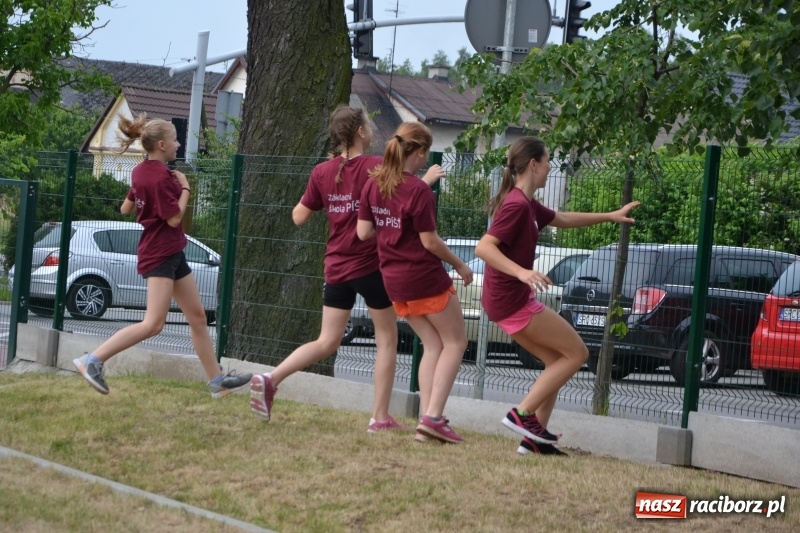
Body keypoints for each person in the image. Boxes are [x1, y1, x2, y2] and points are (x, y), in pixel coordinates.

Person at [249, 106, 446, 432]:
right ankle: (380, 417)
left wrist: (333, 203)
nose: (371, 131)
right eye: (368, 125)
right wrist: (424, 180)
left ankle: (271, 378)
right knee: (387, 338)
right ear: (360, 133)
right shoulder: (376, 166)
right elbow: (401, 199)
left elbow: (298, 216)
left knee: (326, 341)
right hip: (370, 266)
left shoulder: (322, 172)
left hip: (335, 266)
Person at [475, 136, 640, 455]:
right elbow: (484, 247)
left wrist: (611, 215)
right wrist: (522, 273)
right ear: (533, 164)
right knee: (577, 354)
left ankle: (534, 443)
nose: (551, 167)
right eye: (548, 161)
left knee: (557, 361)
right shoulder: (516, 205)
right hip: (511, 299)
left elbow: (562, 219)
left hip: (506, 300)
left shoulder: (527, 203)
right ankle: (521, 414)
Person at [73, 114, 252, 397]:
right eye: (175, 140)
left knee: (197, 317)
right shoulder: (161, 179)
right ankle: (92, 360)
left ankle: (217, 382)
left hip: (172, 251)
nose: (179, 144)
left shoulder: (141, 171)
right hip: (159, 253)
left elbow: (125, 208)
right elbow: (173, 219)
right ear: (161, 144)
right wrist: (185, 188)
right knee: (154, 323)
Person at [357, 122, 474, 444]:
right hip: (423, 277)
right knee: (455, 343)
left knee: (433, 345)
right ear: (420, 152)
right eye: (425, 153)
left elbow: (363, 233)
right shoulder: (419, 190)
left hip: (394, 281)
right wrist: (461, 265)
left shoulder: (374, 184)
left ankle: (428, 419)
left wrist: (390, 229)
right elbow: (430, 242)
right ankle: (434, 417)